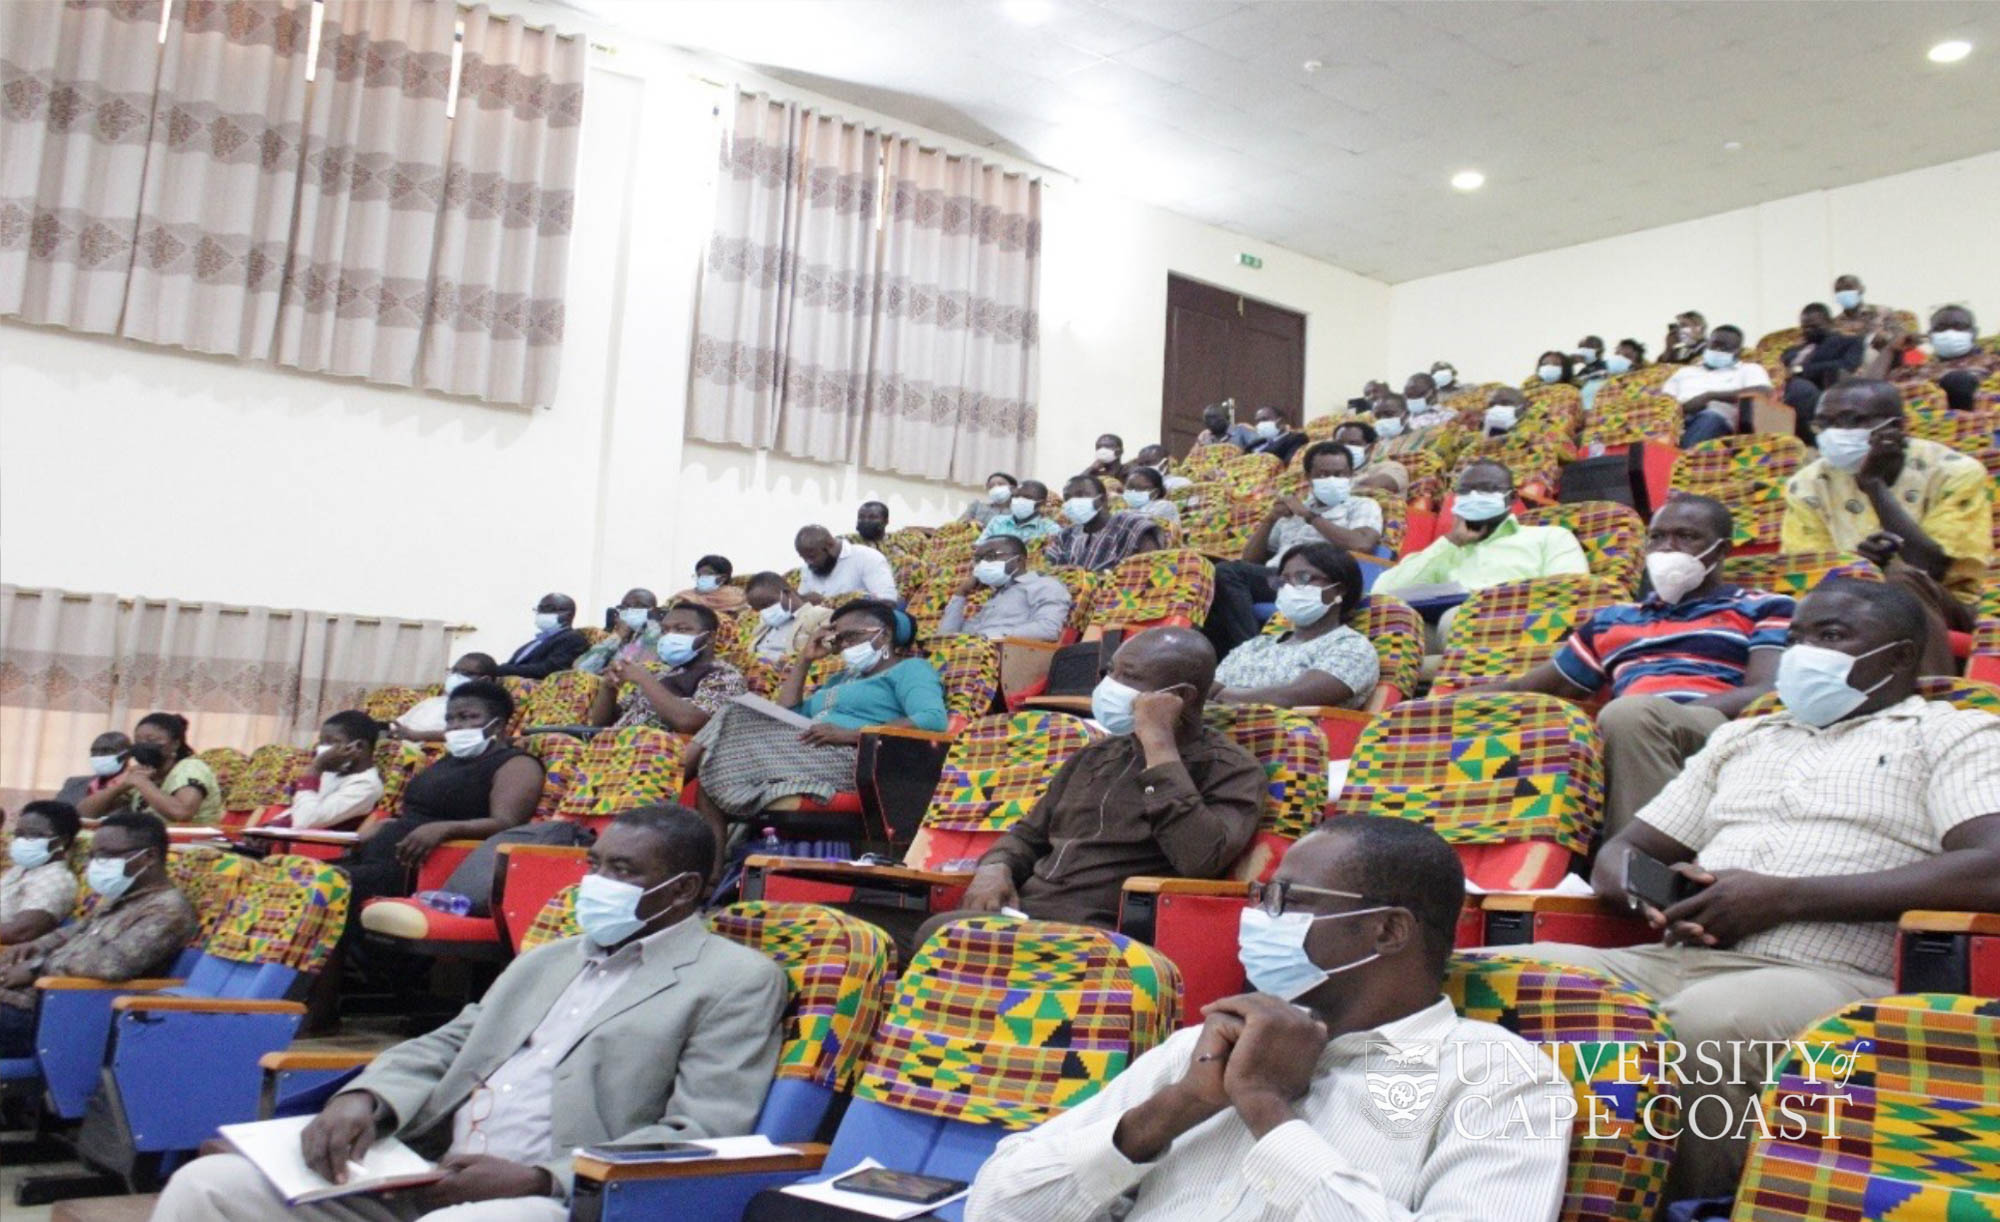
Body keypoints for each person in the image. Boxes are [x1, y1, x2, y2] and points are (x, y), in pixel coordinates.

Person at [1518, 578, 2000, 1201]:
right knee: (1514, 975)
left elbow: (1991, 866)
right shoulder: (1744, 737)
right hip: (1677, 955)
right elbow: (1624, 850)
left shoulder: (1955, 735)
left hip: (1836, 972)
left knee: (1704, 1027)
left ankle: (1689, 1208)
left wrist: (1785, 897)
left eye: (1830, 636)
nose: (1802, 655)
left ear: (1901, 656)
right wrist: (1655, 896)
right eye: (1796, 638)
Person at [152, 807, 788, 1222]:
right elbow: (450, 1043)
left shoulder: (735, 980)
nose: (596, 883)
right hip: (423, 1169)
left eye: (623, 871)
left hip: (557, 1198)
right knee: (209, 1187)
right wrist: (367, 1098)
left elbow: (703, 1129)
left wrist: (538, 1178)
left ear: (680, 890)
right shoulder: (551, 957)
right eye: (594, 864)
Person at [963, 818, 1573, 1222]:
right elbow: (993, 1207)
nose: (1257, 919)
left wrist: (1266, 1109)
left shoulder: (1497, 1077)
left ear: (1388, 930)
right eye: (1262, 899)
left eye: (1287, 901)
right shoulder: (1204, 1048)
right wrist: (1176, 1108)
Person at [1469, 496, 1792, 836]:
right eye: (1657, 538)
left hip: (1721, 726)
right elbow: (1526, 690)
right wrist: (1431, 708)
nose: (1668, 548)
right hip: (1630, 727)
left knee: (1628, 716)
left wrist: (1659, 713)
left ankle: (1642, 868)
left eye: (1686, 537)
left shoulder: (1764, 607)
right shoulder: (1612, 620)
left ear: (1721, 549)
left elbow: (1766, 688)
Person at [939, 628, 1262, 937]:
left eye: (1130, 677)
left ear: (1179, 697)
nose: (1111, 685)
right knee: (907, 929)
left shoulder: (1231, 769)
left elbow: (1200, 860)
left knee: (938, 939)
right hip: (1024, 913)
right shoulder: (1096, 755)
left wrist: (1158, 744)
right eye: (1111, 672)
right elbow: (1028, 835)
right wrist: (995, 867)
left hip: (1106, 933)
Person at [688, 602, 946, 870]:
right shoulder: (840, 680)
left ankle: (676, 773)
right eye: (839, 639)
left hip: (861, 759)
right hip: (810, 749)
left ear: (885, 634)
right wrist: (805, 659)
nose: (844, 645)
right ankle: (710, 880)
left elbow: (932, 719)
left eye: (852, 636)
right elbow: (788, 713)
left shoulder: (911, 669)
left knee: (731, 715)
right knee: (714, 772)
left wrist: (852, 735)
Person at [1781, 379, 1992, 658]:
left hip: (1946, 602)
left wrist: (1873, 484)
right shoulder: (1806, 483)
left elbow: (1934, 569)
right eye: (1824, 423)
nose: (1834, 433)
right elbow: (1807, 572)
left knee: (1901, 579)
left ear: (1896, 426)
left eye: (1851, 420)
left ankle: (1930, 693)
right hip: (1845, 601)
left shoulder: (1954, 472)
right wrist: (1861, 564)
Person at [0, 812, 195, 1057]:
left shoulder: (167, 911)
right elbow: (74, 932)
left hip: (62, 1014)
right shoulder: (123, 899)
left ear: (150, 856)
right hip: (29, 1000)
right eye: (93, 856)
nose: (96, 863)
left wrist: (35, 968)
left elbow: (112, 964)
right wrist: (34, 947)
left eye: (108, 855)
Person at [340, 680, 543, 907]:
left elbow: (507, 824)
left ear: (498, 725)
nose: (456, 725)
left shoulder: (516, 764)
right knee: (298, 870)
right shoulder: (448, 761)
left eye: (468, 717)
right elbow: (421, 813)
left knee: (315, 881)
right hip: (379, 859)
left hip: (427, 870)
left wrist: (445, 828)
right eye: (450, 719)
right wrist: (387, 826)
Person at [1373, 461, 1589, 643]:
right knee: (1393, 625)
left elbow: (1571, 591)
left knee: (1456, 617)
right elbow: (1382, 593)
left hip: (1524, 627)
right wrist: (1450, 541)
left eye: (1487, 489)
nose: (1475, 496)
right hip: (1449, 633)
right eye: (1466, 491)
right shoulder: (1446, 549)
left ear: (1512, 498)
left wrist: (1484, 605)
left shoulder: (1549, 537)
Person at [1204, 443, 1382, 657]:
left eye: (1339, 474)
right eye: (1323, 475)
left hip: (1316, 580)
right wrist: (1270, 519)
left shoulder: (1362, 505)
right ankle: (1220, 672)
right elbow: (1250, 560)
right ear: (1309, 477)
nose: (1332, 480)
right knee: (1210, 594)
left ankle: (1252, 654)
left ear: (1351, 474)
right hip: (1278, 581)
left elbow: (1361, 543)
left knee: (1228, 573)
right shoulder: (1293, 511)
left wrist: (1309, 516)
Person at [1213, 544, 1378, 710]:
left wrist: (1222, 695)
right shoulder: (1255, 645)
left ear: (1338, 590)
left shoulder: (1352, 647)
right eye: (1283, 581)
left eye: (1303, 578)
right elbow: (1208, 689)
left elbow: (1290, 697)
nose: (1289, 588)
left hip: (1282, 733)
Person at [588, 602, 749, 734]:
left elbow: (690, 723)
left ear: (710, 637)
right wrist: (609, 688)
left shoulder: (724, 676)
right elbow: (602, 724)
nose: (669, 636)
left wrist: (644, 679)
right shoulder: (659, 672)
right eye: (665, 631)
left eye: (682, 629)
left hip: (657, 760)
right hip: (613, 754)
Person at [77, 711, 223, 825]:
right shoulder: (143, 771)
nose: (142, 745)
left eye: (151, 740)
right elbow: (84, 813)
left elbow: (181, 813)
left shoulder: (191, 767)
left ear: (176, 744)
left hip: (192, 847)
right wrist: (123, 785)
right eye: (138, 741)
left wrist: (142, 783)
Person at [938, 536, 1072, 642]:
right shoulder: (996, 596)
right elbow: (946, 637)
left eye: (991, 557)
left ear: (1019, 560)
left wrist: (987, 638)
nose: (983, 564)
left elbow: (1047, 629)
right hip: (971, 657)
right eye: (978, 560)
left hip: (1009, 658)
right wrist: (961, 593)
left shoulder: (1044, 585)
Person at [270, 711, 387, 832]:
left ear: (359, 746)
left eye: (332, 742)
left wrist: (315, 769)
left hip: (312, 847)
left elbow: (305, 820)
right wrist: (269, 828)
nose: (322, 749)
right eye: (321, 742)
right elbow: (297, 810)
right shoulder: (332, 772)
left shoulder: (366, 785)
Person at [1659, 324, 1770, 446]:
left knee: (1710, 417)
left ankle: (1681, 460)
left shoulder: (1749, 369)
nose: (1718, 350)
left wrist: (1710, 397)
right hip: (1679, 419)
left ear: (1738, 351)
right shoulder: (1684, 372)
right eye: (1714, 344)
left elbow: (1763, 391)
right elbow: (1665, 401)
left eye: (1725, 348)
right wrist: (1685, 408)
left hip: (1717, 422)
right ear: (1707, 344)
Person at [1877, 304, 1998, 412]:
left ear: (1974, 332)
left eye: (1959, 327)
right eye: (1941, 328)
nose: (1950, 332)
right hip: (1921, 427)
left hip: (1972, 427)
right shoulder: (1917, 369)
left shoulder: (1992, 362)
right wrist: (1891, 349)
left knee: (1958, 380)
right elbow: (1870, 389)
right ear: (1930, 335)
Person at [1777, 302, 1868, 441]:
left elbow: (1847, 365)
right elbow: (1782, 366)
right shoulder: (1791, 351)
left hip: (1820, 390)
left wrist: (1801, 370)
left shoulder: (1850, 342)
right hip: (1782, 394)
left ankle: (1815, 441)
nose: (1808, 331)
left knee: (1800, 388)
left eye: (1814, 326)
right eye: (1805, 327)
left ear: (1830, 323)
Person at [1043, 475, 1166, 572]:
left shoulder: (1131, 525)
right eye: (1067, 498)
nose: (1072, 502)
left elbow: (1152, 564)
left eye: (1081, 495)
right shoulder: (1065, 535)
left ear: (1102, 500)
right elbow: (1053, 572)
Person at [1, 800, 81, 946]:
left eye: (33, 835)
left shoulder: (56, 879)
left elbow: (20, 932)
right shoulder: (19, 869)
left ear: (61, 840)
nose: (22, 841)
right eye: (19, 834)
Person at [389, 654, 500, 742]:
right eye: (454, 671)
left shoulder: (485, 708)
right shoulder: (432, 701)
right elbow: (397, 725)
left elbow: (469, 736)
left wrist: (416, 735)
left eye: (465, 673)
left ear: (485, 680)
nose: (455, 676)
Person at [742, 572, 833, 663]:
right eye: (759, 608)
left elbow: (828, 653)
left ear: (788, 593)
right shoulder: (763, 626)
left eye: (768, 604)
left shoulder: (819, 615)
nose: (765, 611)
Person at [495, 594, 589, 679]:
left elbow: (548, 669)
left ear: (568, 615)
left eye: (548, 609)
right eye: (540, 609)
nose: (541, 613)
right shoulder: (536, 642)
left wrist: (502, 669)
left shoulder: (572, 639)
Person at [793, 526, 898, 602]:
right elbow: (802, 600)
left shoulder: (867, 557)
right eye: (803, 558)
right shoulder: (808, 568)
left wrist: (830, 603)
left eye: (812, 557)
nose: (807, 562)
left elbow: (888, 600)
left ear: (829, 545)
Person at [575, 589, 660, 675]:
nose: (630, 610)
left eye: (639, 606)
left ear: (653, 610)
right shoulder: (623, 637)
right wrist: (619, 635)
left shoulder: (656, 638)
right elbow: (580, 667)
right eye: (624, 607)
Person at [52, 730, 131, 807]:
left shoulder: (135, 786)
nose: (98, 756)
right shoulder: (73, 784)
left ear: (127, 755)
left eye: (107, 751)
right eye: (94, 751)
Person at [978, 478, 1064, 545]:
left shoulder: (1050, 528)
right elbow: (978, 547)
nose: (1019, 500)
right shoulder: (997, 521)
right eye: (1016, 496)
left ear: (1041, 503)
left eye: (1027, 497)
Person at [1334, 419, 1408, 496]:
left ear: (1371, 447)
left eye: (1354, 443)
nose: (1344, 448)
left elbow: (1373, 488)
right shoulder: (1333, 474)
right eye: (1339, 444)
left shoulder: (1391, 467)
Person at [673, 556, 749, 614]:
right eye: (699, 575)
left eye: (707, 574)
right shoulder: (686, 596)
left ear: (722, 578)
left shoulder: (736, 597)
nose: (702, 578)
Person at [1830, 272, 1893, 336]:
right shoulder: (1835, 323)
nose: (1844, 292)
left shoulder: (1882, 312)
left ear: (1862, 289)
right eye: (1839, 290)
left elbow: (1899, 337)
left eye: (1848, 288)